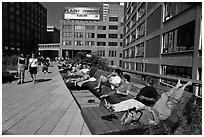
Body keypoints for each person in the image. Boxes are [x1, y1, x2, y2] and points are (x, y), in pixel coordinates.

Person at [115, 79, 192, 125]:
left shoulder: (138, 112)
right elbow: (156, 122)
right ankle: (185, 86)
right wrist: (152, 113)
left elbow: (144, 108)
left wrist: (145, 108)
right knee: (172, 100)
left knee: (164, 96)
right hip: (161, 114)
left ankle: (177, 86)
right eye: (132, 114)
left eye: (131, 112)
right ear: (134, 118)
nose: (133, 112)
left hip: (155, 109)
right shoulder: (143, 120)